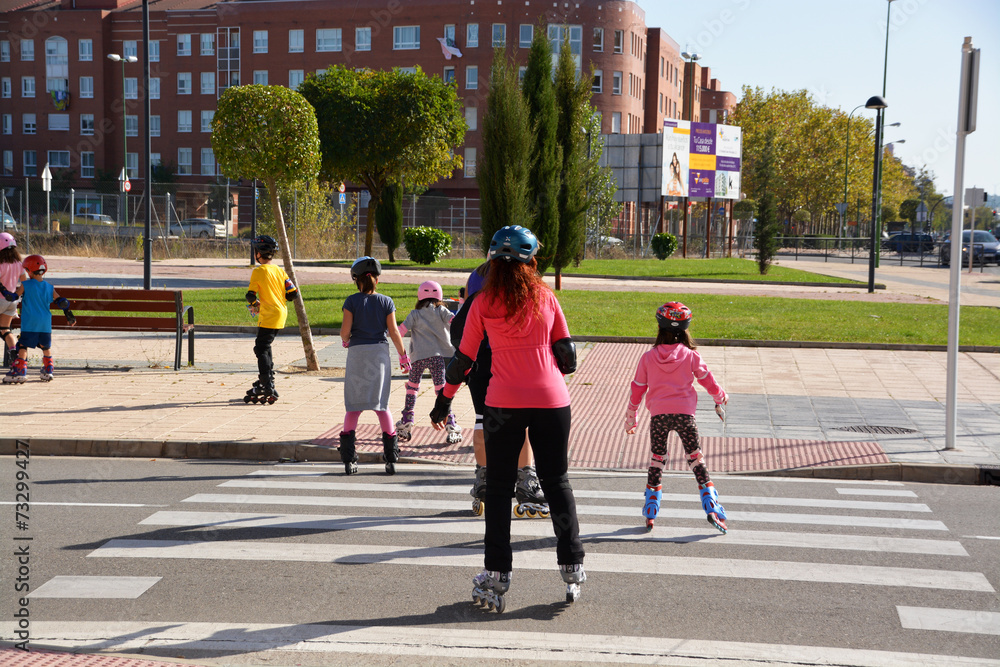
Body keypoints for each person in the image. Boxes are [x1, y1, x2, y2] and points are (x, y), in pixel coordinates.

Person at [431, 226, 585, 612]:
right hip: (552, 402)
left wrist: (443, 402)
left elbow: (463, 362)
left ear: (492, 263)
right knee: (556, 482)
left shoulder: (482, 302)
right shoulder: (546, 297)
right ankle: (571, 564)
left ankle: (498, 574)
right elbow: (568, 356)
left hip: (503, 405)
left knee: (499, 490)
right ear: (531, 262)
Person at [450, 262, 548, 518]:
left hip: (478, 361)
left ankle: (484, 477)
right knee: (520, 421)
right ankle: (525, 478)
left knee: (482, 419)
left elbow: (462, 324)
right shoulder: (515, 279)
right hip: (508, 359)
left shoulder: (476, 279)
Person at [625, 301, 729, 533]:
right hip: (685, 416)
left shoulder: (648, 357)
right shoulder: (691, 356)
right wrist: (720, 396)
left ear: (659, 328)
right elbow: (707, 379)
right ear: (685, 330)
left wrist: (631, 415)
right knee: (696, 459)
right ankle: (711, 506)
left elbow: (638, 388)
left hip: (659, 417)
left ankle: (651, 509)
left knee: (657, 459)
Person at [339, 256, 410, 475]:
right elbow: (394, 332)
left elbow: (345, 333)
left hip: (358, 356)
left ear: (356, 280)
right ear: (376, 280)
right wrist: (403, 356)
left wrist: (346, 340)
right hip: (379, 356)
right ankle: (391, 458)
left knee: (354, 407)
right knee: (381, 406)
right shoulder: (386, 302)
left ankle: (349, 460)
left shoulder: (351, 301)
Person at [395, 280, 461, 445]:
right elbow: (455, 322)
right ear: (439, 296)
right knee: (441, 391)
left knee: (412, 388)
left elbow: (400, 331)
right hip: (437, 357)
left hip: (417, 358)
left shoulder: (414, 314)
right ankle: (450, 422)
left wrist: (401, 354)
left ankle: (407, 420)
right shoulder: (441, 310)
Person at [1, 254, 76, 384]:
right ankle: (48, 369)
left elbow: (13, 297)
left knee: (23, 345)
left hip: (30, 323)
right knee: (45, 346)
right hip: (45, 324)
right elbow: (62, 302)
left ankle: (20, 371)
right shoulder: (49, 287)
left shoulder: (26, 285)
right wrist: (69, 314)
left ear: (29, 271)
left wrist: (3, 290)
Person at [243, 235, 297, 405]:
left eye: (255, 251)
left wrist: (255, 304)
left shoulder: (259, 271)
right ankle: (267, 379)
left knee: (260, 347)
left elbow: (250, 295)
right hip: (281, 313)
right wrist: (278, 298)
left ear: (259, 253)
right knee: (265, 346)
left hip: (268, 315)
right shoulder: (280, 271)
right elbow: (293, 294)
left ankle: (266, 383)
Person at [0, 233, 25, 368]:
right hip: (11, 303)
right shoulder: (19, 264)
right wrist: (16, 295)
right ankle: (14, 354)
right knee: (5, 329)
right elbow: (24, 283)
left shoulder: (1, 264)